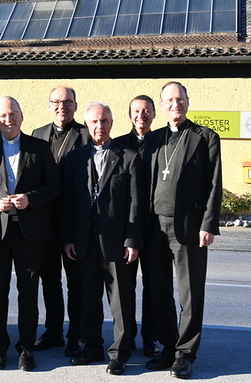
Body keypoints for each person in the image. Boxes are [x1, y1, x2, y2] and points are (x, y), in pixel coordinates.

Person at [0, 96, 61, 371]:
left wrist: (31, 199)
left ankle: (26, 348)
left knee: (28, 292)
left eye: (13, 114)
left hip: (30, 233)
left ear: (22, 116)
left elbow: (54, 185)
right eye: (2, 116)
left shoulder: (39, 148)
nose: (7, 120)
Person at [143, 82, 221, 379]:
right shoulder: (154, 140)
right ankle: (168, 346)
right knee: (158, 291)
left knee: (190, 294)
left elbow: (215, 183)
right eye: (169, 100)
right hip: (154, 227)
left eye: (180, 99)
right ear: (161, 106)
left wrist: (208, 224)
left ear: (187, 102)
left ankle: (186, 354)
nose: (175, 104)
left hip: (188, 228)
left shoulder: (205, 137)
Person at [63, 102, 147, 375]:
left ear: (112, 123)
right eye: (95, 122)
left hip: (117, 242)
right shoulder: (75, 159)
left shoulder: (129, 156)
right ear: (87, 125)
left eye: (105, 121)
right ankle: (91, 346)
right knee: (87, 297)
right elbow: (69, 203)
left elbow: (137, 202)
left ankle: (120, 353)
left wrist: (133, 240)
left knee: (121, 300)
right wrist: (69, 238)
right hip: (84, 240)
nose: (100, 126)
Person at [31, 86, 90, 356]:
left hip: (74, 222)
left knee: (76, 282)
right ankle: (53, 331)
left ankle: (76, 333)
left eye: (67, 102)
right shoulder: (38, 135)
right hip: (44, 221)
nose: (61, 106)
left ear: (75, 106)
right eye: (55, 101)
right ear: (49, 105)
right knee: (49, 280)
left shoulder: (86, 135)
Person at [115, 95, 161, 358]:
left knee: (154, 286)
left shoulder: (162, 142)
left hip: (155, 226)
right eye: (136, 111)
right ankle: (127, 337)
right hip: (126, 227)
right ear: (129, 115)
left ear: (153, 114)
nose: (141, 116)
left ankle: (150, 338)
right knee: (126, 287)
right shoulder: (119, 144)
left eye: (146, 111)